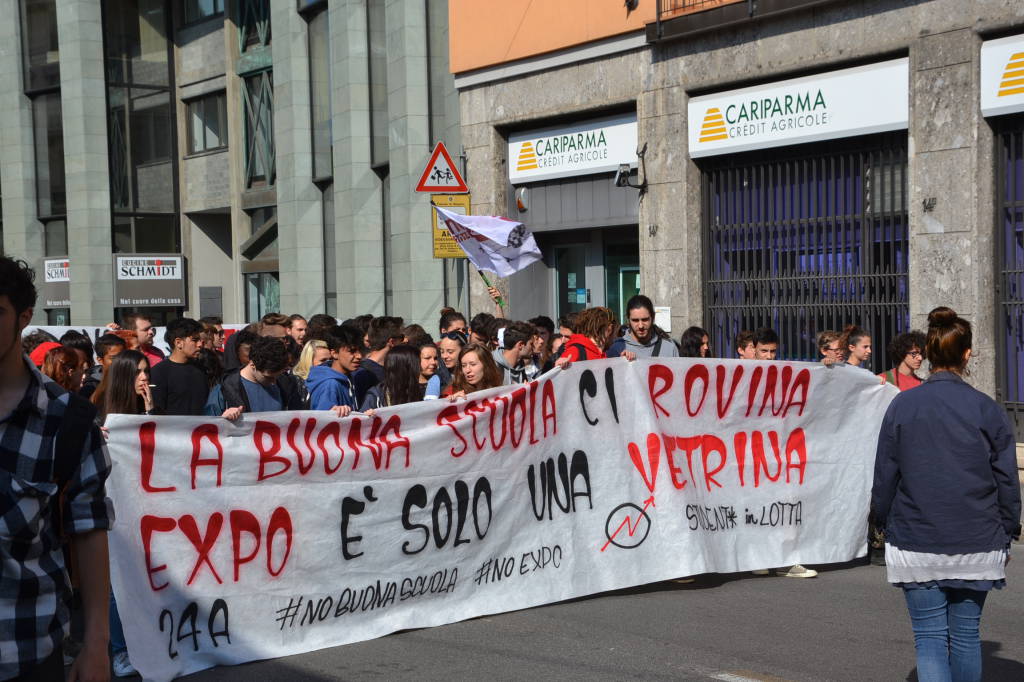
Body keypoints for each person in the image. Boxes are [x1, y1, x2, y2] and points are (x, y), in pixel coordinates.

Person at [872, 307, 1021, 682]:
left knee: (929, 638)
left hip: (916, 536)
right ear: (967, 354)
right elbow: (1007, 480)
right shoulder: (986, 408)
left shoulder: (902, 405)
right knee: (967, 636)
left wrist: (881, 519)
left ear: (930, 352)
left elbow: (885, 474)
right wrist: (1008, 528)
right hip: (977, 537)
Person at [0, 256, 113, 680]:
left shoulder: (69, 420)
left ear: (23, 318)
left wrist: (96, 643)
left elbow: (91, 531)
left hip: (28, 653)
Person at [92, 349, 152, 677]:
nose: (145, 378)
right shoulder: (97, 415)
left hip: (143, 509)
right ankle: (119, 649)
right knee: (117, 582)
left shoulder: (145, 408)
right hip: (111, 509)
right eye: (139, 372)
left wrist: (151, 411)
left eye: (147, 372)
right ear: (125, 378)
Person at [748, 326, 817, 579]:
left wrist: (827, 367)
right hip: (751, 453)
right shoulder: (741, 373)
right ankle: (759, 556)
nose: (768, 357)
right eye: (763, 351)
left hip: (780, 452)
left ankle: (788, 559)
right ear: (753, 349)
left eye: (772, 351)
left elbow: (815, 382)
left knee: (785, 504)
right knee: (757, 506)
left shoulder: (784, 372)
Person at [206, 336, 303, 416]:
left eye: (278, 375)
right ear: (252, 364)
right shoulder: (225, 390)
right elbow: (208, 431)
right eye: (268, 377)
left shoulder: (286, 384)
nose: (274, 382)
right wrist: (222, 420)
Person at [149, 317, 209, 416]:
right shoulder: (158, 373)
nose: (200, 345)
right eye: (195, 340)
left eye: (200, 340)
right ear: (178, 343)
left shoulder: (201, 368)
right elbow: (157, 414)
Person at [307, 324, 364, 415]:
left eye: (360, 350)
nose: (359, 356)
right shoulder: (330, 384)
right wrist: (333, 412)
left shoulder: (348, 378)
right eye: (352, 351)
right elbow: (323, 422)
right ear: (334, 354)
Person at [360, 344, 434, 410]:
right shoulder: (376, 396)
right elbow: (362, 422)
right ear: (406, 369)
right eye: (417, 365)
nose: (420, 369)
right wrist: (368, 416)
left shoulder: (423, 391)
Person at [352, 316, 404, 404]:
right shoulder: (363, 374)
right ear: (392, 342)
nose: (404, 341)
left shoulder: (392, 369)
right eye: (401, 338)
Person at [607, 296, 678, 359]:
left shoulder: (669, 347)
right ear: (628, 319)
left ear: (653, 317)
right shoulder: (616, 349)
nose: (641, 326)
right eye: (635, 320)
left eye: (645, 319)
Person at [293, 339, 331, 406]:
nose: (328, 363)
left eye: (330, 360)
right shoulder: (295, 382)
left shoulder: (331, 380)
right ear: (309, 360)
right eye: (323, 360)